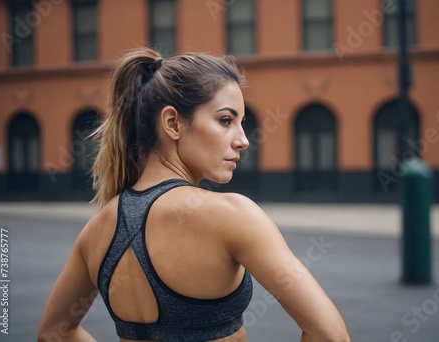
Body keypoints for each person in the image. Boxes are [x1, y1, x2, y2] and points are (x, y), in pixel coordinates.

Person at [38, 47, 350, 342]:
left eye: (242, 123)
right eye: (226, 120)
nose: (243, 140)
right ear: (173, 123)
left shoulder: (97, 230)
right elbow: (330, 335)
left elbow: (54, 333)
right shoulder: (233, 215)